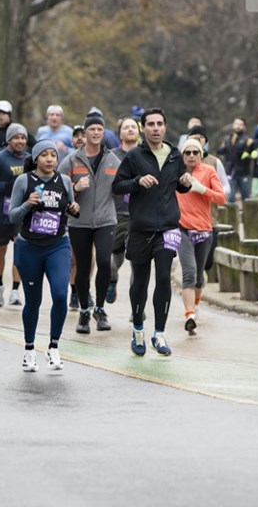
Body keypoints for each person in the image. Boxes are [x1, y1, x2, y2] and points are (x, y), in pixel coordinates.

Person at [116, 108, 186, 356]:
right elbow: (117, 186)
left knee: (164, 277)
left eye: (159, 124)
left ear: (165, 127)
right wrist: (137, 182)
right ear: (143, 129)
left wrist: (184, 185)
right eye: (151, 124)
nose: (155, 128)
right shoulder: (134, 156)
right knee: (140, 282)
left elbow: (178, 184)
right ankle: (137, 329)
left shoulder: (175, 155)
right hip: (141, 227)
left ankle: (159, 333)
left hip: (167, 227)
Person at [8, 140, 77, 370]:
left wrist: (74, 209)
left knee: (60, 294)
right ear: (36, 158)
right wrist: (28, 204)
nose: (49, 159)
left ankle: (54, 346)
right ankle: (29, 350)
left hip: (58, 245)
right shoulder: (24, 180)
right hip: (30, 247)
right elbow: (13, 216)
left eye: (53, 155)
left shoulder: (65, 181)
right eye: (44, 155)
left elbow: (71, 208)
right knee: (33, 301)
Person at [66, 117, 122, 334]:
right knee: (82, 266)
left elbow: (123, 184)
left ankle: (99, 308)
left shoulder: (113, 160)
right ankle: (83, 311)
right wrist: (75, 187)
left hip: (106, 220)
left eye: (100, 129)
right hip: (79, 221)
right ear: (85, 133)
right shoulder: (72, 160)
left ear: (104, 132)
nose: (96, 133)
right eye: (92, 129)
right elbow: (57, 188)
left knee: (104, 262)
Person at [176, 135, 228, 335]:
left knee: (199, 276)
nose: (191, 156)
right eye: (187, 153)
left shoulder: (208, 171)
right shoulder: (177, 174)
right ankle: (189, 315)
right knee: (188, 273)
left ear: (200, 154)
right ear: (182, 156)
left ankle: (195, 304)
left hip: (204, 229)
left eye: (195, 152)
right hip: (182, 229)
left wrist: (202, 189)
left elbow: (221, 198)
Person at [0, 123, 31, 307]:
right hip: (1, 213)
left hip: (22, 212)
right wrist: (4, 187)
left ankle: (16, 291)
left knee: (20, 249)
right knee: (0, 250)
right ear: (9, 140)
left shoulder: (29, 158)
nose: (20, 141)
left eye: (23, 138)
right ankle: (0, 286)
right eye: (16, 137)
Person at [107, 116, 141, 304]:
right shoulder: (111, 156)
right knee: (113, 261)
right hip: (116, 212)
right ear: (119, 133)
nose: (130, 130)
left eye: (133, 127)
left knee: (137, 263)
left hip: (139, 215)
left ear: (138, 132)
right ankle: (112, 279)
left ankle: (137, 306)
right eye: (126, 127)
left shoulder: (146, 154)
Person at [218, 117, 256, 202]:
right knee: (230, 197)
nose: (238, 126)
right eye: (236, 124)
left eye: (240, 124)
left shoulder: (248, 140)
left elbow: (253, 152)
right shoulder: (228, 139)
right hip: (231, 172)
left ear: (244, 126)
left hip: (243, 172)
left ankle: (247, 215)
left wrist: (247, 155)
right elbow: (221, 150)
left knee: (246, 197)